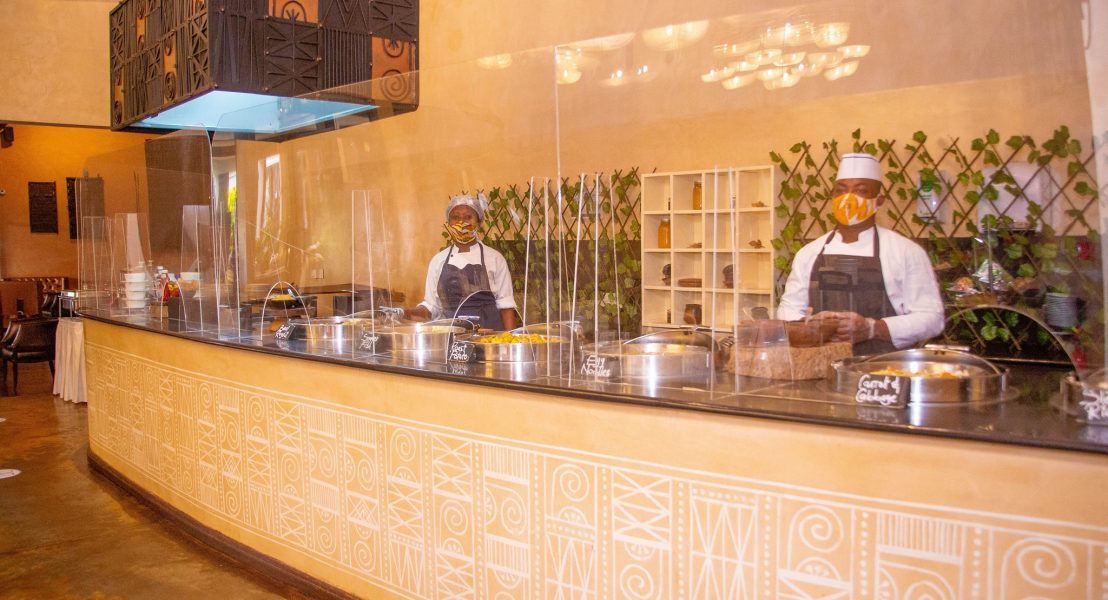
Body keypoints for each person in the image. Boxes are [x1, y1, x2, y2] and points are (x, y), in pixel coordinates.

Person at [777, 152, 944, 354]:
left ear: (879, 200)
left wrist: (872, 328)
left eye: (861, 190)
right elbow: (788, 309)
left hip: (884, 367)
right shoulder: (809, 253)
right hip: (821, 365)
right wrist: (812, 324)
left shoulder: (906, 252)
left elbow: (931, 318)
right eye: (841, 191)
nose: (848, 198)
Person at [399, 193, 518, 331]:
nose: (461, 222)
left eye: (468, 217)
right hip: (450, 336)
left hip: (488, 336)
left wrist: (512, 340)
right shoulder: (438, 261)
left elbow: (506, 306)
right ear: (449, 223)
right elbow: (431, 307)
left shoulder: (495, 258)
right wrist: (403, 312)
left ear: (479, 223)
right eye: (455, 217)